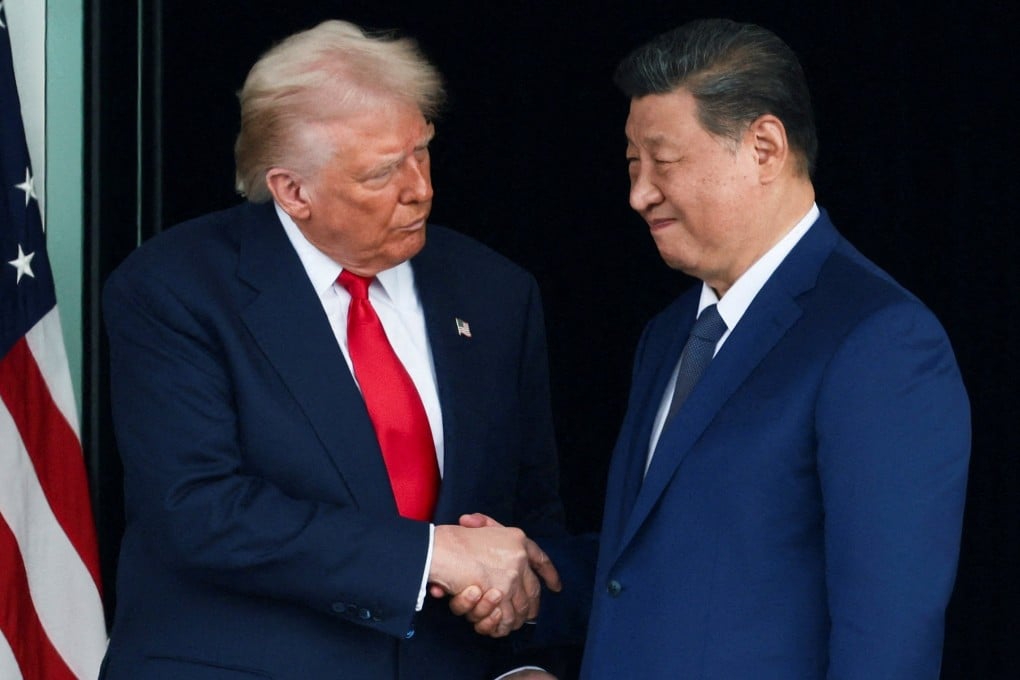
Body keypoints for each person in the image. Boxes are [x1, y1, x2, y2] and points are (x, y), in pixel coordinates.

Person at [100, 20, 566, 680]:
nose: (421, 188)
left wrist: (527, 661)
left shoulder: (494, 291)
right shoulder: (176, 287)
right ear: (293, 191)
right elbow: (199, 510)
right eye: (382, 172)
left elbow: (530, 511)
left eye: (422, 151)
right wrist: (428, 555)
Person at [580, 17, 970, 678]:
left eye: (662, 162)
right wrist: (523, 573)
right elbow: (657, 563)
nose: (639, 193)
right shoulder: (669, 334)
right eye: (631, 163)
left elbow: (888, 638)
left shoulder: (880, 341)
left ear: (764, 147)